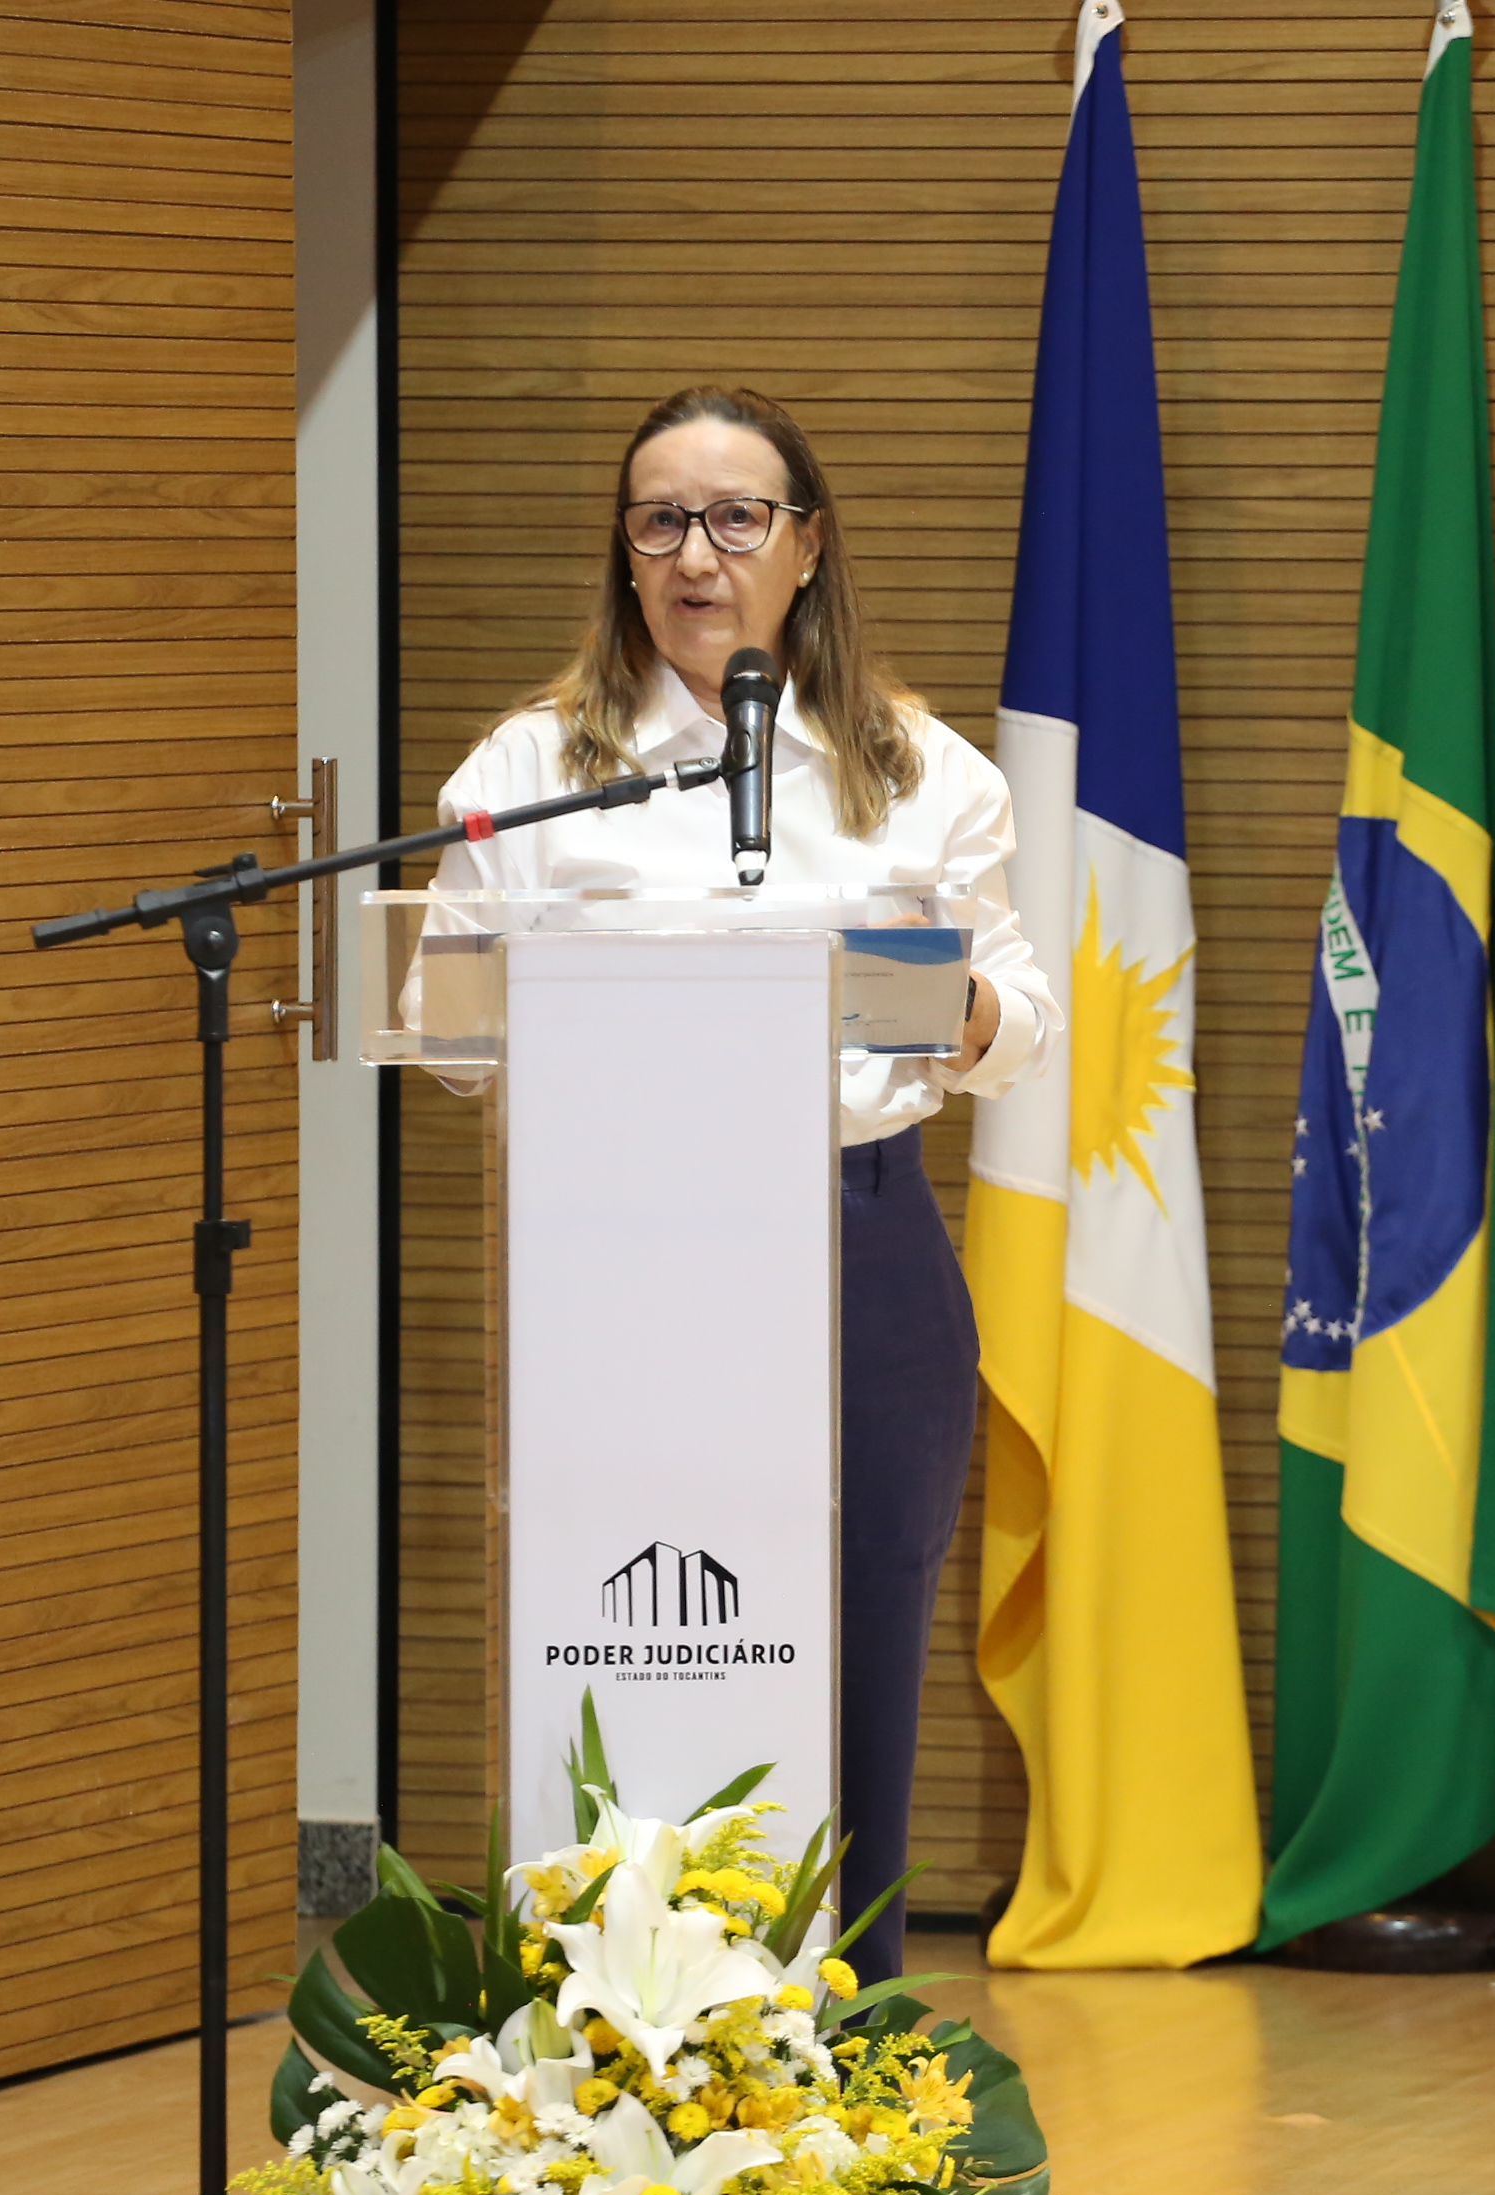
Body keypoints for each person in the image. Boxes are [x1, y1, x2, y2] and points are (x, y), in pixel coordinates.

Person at [426, 384, 1056, 1978]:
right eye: (659, 521)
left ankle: (846, 2055)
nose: (694, 554)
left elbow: (1018, 1019)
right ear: (624, 555)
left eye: (734, 519)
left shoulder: (923, 772)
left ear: (805, 546)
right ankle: (597, 2039)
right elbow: (440, 1018)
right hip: (616, 1255)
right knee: (628, 1635)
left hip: (855, 1242)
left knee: (856, 1654)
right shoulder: (531, 770)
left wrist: (917, 996)